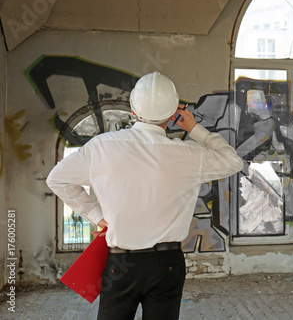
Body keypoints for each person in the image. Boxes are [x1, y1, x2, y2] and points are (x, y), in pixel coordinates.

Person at [46, 72, 244, 320]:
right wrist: (195, 128)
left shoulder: (102, 147)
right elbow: (232, 162)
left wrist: (97, 216)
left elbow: (57, 179)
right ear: (174, 113)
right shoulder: (189, 155)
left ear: (133, 109)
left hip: (120, 263)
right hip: (167, 264)